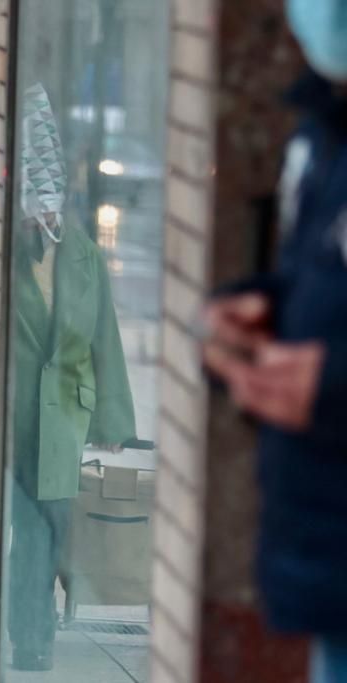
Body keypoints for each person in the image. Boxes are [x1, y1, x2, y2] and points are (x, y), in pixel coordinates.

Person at [203, 3, 347, 681]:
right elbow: (318, 279)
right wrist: (254, 315)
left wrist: (331, 379)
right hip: (323, 543)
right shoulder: (321, 135)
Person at [7, 83, 136, 672]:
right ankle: (31, 637)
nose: (47, 217)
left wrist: (114, 422)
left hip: (67, 417)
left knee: (54, 531)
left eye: (53, 205)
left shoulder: (85, 256)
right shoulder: (4, 256)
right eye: (38, 205)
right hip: (16, 419)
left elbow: (105, 339)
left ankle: (36, 626)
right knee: (29, 534)